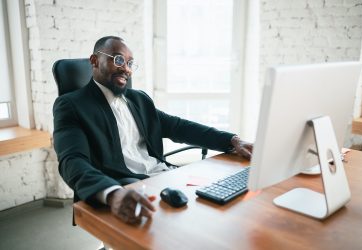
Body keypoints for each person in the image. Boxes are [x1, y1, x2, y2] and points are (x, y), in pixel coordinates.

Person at [53, 36, 253, 225]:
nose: (126, 69)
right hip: (129, 186)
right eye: (119, 59)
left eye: (130, 63)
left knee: (226, 206)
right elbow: (72, 161)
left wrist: (232, 140)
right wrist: (112, 193)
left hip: (165, 175)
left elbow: (179, 127)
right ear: (95, 61)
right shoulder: (71, 105)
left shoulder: (138, 99)